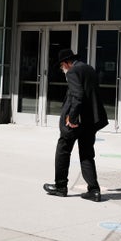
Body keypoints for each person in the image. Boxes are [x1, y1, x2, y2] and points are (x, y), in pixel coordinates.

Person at [43, 48, 109, 202]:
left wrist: (71, 119)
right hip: (90, 121)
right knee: (86, 153)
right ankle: (94, 190)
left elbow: (78, 96)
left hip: (76, 121)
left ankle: (60, 187)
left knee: (63, 149)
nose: (62, 69)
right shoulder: (89, 69)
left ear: (66, 62)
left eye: (61, 66)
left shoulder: (73, 72)